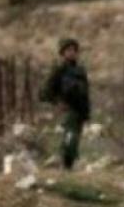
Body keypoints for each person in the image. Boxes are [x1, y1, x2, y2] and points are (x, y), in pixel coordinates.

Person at [39, 38, 91, 170]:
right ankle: (65, 164)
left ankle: (69, 165)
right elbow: (45, 92)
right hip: (68, 109)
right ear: (62, 53)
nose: (72, 53)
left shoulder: (80, 70)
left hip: (79, 110)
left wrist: (86, 113)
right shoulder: (58, 69)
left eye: (74, 50)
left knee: (75, 138)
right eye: (68, 50)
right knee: (70, 136)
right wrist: (57, 102)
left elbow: (85, 93)